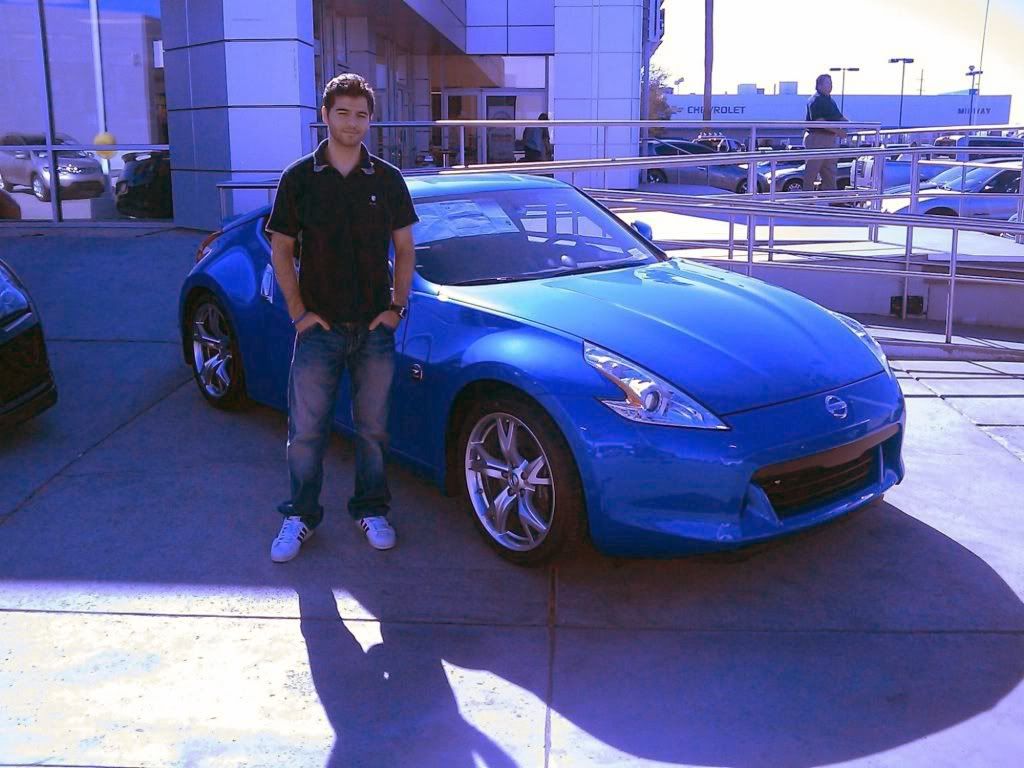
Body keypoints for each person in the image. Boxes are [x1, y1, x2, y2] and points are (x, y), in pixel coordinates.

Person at [265, 73, 418, 562]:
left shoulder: (387, 179)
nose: (353, 123)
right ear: (325, 115)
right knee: (307, 432)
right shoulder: (299, 178)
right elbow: (281, 249)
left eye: (361, 115)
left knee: (373, 430)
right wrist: (298, 313)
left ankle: (371, 509)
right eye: (343, 113)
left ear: (370, 119)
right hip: (319, 329)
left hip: (374, 329)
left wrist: (396, 308)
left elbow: (405, 248)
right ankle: (301, 515)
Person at [803, 73, 848, 191]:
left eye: (831, 83)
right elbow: (819, 121)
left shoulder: (830, 101)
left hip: (830, 139)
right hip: (817, 138)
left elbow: (839, 117)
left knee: (830, 171)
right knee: (812, 170)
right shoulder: (815, 100)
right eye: (828, 83)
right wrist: (838, 131)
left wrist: (855, 127)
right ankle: (806, 197)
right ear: (819, 85)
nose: (831, 86)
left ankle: (831, 196)